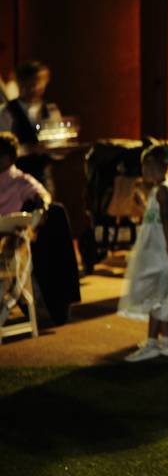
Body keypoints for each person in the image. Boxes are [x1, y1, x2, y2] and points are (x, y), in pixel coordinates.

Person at [0, 131, 80, 325]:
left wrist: (42, 208)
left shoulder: (20, 180)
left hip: (10, 241)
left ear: (10, 157)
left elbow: (42, 195)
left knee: (55, 212)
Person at [117, 142, 168, 361]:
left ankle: (151, 342)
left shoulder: (163, 192)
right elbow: (155, 218)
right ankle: (164, 340)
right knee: (163, 295)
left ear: (159, 165)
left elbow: (166, 222)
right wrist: (142, 204)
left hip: (159, 251)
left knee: (155, 297)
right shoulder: (163, 189)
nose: (143, 171)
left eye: (147, 166)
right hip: (158, 249)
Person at [0, 61, 63, 189]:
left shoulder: (51, 110)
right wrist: (27, 149)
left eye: (37, 83)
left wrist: (55, 149)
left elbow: (59, 147)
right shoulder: (6, 112)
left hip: (44, 179)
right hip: (14, 181)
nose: (33, 89)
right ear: (19, 84)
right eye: (28, 85)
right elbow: (2, 149)